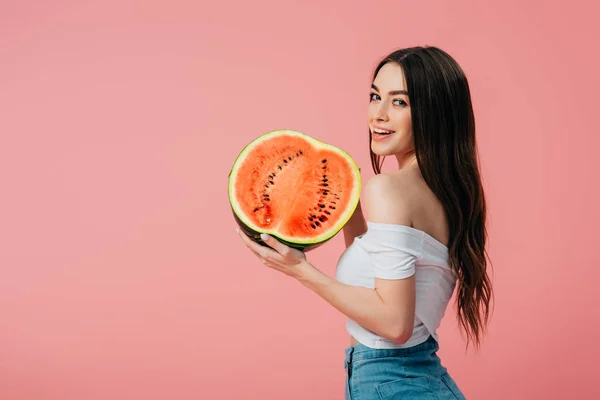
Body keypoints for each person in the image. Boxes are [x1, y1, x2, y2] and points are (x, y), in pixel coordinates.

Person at [237, 46, 493, 400]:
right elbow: (381, 271)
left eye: (400, 102)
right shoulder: (446, 192)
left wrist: (301, 271)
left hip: (395, 383)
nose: (379, 115)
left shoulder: (388, 189)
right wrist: (349, 207)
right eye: (375, 96)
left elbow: (394, 325)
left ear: (435, 112)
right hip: (412, 380)